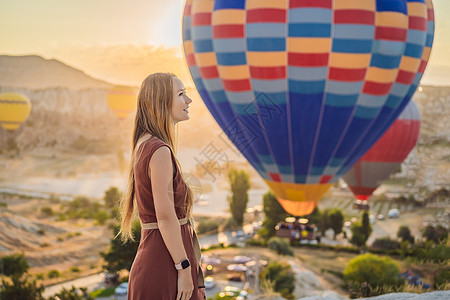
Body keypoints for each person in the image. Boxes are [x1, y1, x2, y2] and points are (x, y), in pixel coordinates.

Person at [118, 73, 205, 300]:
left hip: (163, 262)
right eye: (180, 94)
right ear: (160, 101)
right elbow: (166, 217)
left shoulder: (145, 145)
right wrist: (185, 270)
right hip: (166, 266)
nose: (189, 100)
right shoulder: (159, 150)